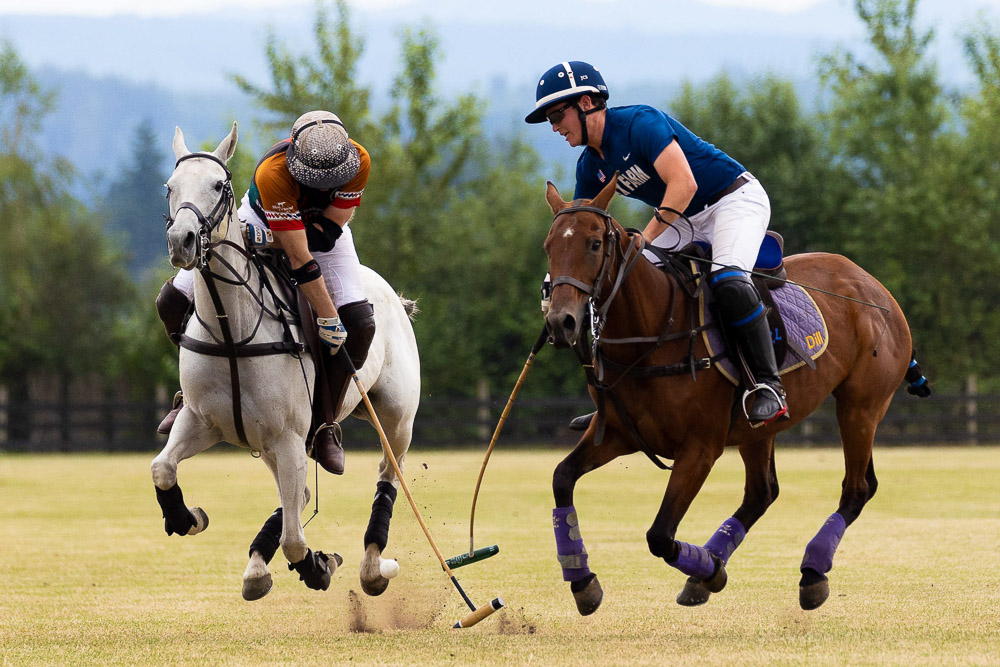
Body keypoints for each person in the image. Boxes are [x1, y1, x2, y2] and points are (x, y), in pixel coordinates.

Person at [525, 61, 787, 428]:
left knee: (728, 280)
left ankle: (767, 385)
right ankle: (613, 396)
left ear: (586, 103)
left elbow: (685, 185)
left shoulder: (639, 124)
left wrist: (643, 238)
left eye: (556, 114)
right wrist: (559, 285)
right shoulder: (588, 166)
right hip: (683, 219)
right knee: (618, 282)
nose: (553, 126)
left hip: (733, 200)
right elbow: (580, 232)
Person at [155, 110, 377, 474]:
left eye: (330, 179)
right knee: (171, 300)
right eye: (314, 178)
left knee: (360, 324)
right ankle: (190, 399)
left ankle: (323, 425)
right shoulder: (272, 173)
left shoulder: (360, 161)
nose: (323, 186)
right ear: (295, 158)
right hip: (261, 218)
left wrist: (332, 318)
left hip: (321, 233)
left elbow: (323, 237)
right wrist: (269, 238)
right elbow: (299, 259)